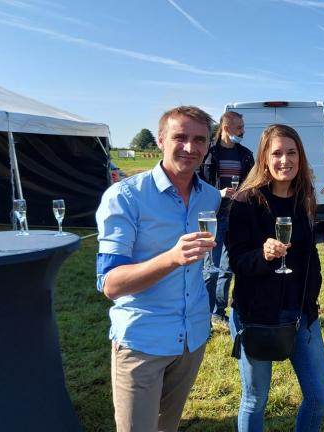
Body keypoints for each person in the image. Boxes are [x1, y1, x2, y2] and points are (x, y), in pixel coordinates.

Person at [95, 106, 221, 431]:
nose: (190, 148)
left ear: (209, 145)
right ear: (161, 139)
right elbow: (111, 283)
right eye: (180, 137)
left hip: (191, 339)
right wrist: (172, 258)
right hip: (142, 342)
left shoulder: (209, 197)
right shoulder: (125, 198)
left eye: (199, 140)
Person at [227, 124, 324, 431]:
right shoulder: (246, 202)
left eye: (291, 152)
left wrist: (311, 297)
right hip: (257, 315)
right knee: (255, 398)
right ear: (264, 158)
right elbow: (237, 261)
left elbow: (309, 255)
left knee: (318, 395)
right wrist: (264, 256)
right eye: (277, 153)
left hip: (301, 314)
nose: (285, 160)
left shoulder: (305, 198)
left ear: (300, 156)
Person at [199, 111, 255, 326]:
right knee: (210, 269)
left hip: (236, 216)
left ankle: (218, 312)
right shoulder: (207, 153)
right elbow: (198, 185)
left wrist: (245, 193)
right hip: (213, 217)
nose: (243, 131)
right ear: (225, 128)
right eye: (239, 127)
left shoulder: (246, 154)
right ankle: (204, 316)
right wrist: (217, 193)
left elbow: (253, 182)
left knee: (227, 268)